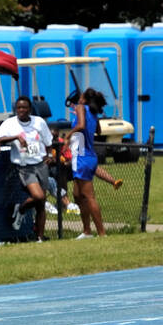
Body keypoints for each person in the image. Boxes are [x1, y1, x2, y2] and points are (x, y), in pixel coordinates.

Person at [0, 96, 54, 242]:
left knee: (41, 204)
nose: (21, 110)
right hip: (24, 167)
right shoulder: (10, 123)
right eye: (19, 108)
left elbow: (48, 141)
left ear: (30, 109)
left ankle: (39, 237)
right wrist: (15, 137)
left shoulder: (38, 122)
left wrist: (50, 155)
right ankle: (21, 209)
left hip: (40, 164)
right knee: (38, 196)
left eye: (24, 107)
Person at [68, 88, 106, 238]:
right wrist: (81, 115)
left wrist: (68, 136)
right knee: (77, 195)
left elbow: (81, 126)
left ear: (84, 99)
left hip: (82, 157)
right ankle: (87, 231)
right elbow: (99, 131)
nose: (79, 98)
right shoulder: (92, 112)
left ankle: (102, 233)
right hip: (86, 156)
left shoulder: (81, 107)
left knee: (89, 197)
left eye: (81, 96)